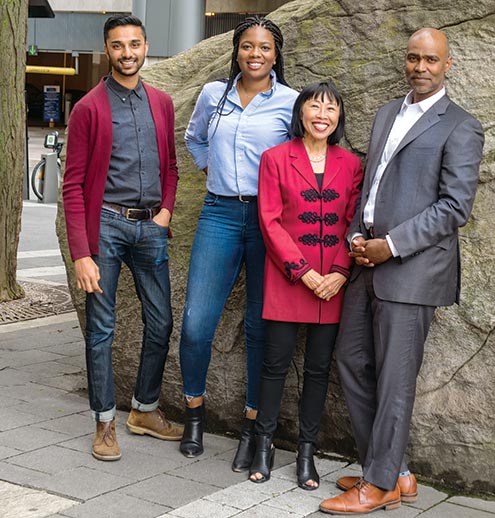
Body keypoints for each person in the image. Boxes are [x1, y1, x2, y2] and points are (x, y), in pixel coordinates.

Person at [319, 28, 484, 514]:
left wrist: (390, 246)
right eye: (413, 58)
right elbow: (370, 186)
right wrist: (355, 235)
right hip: (364, 260)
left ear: (447, 65)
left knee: (394, 378)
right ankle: (394, 470)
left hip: (410, 270)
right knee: (350, 360)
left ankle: (381, 482)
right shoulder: (387, 112)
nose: (420, 67)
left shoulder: (461, 126)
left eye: (431, 60)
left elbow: (455, 207)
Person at [179, 16, 298, 470]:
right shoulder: (215, 94)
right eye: (247, 46)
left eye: (264, 47)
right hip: (220, 213)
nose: (255, 54)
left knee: (259, 326)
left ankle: (253, 425)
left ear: (276, 53)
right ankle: (194, 412)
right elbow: (194, 139)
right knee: (196, 323)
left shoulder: (290, 102)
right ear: (237, 51)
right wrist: (216, 173)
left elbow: (297, 157)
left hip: (270, 221)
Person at [62, 14, 182, 462]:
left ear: (146, 46)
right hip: (107, 227)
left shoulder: (163, 102)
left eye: (134, 44)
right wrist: (81, 254)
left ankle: (144, 410)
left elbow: (171, 166)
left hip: (151, 226)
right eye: (118, 46)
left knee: (162, 321)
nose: (127, 53)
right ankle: (104, 422)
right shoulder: (89, 108)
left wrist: (165, 215)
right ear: (107, 50)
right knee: (101, 329)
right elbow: (72, 185)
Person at [248, 81, 363, 489]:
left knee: (317, 370)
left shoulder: (351, 164)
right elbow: (269, 220)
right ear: (300, 114)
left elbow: (355, 221)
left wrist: (338, 271)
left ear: (338, 118)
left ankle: (307, 453)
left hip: (332, 284)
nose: (322, 115)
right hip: (288, 278)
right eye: (314, 107)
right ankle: (263, 445)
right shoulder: (275, 159)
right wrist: (303, 270)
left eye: (331, 109)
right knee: (274, 365)